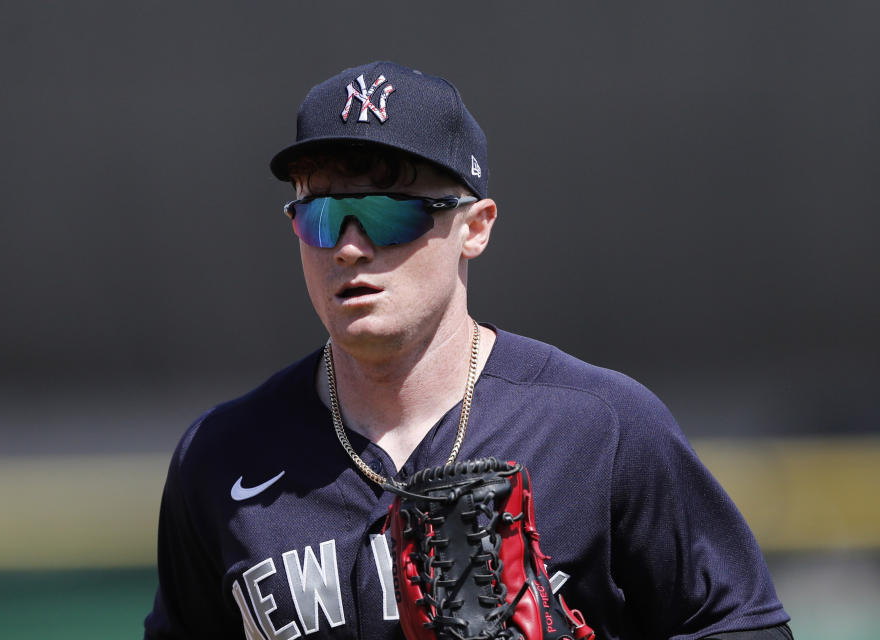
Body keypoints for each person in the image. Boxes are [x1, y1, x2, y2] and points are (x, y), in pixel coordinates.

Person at [144, 61, 792, 640]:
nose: (348, 246)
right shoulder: (220, 456)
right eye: (320, 214)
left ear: (475, 228)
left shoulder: (600, 427)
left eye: (387, 212)